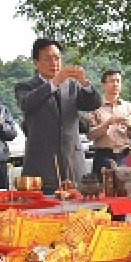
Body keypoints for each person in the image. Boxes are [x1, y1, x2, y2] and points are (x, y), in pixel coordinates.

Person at [15, 38, 102, 194]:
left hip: (72, 161)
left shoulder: (72, 85)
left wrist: (84, 83)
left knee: (78, 205)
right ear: (36, 63)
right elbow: (26, 104)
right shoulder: (25, 86)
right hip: (42, 164)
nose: (53, 63)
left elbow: (93, 104)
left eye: (57, 58)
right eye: (48, 59)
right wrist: (54, 83)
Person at [87, 68, 131, 180]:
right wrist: (107, 123)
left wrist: (129, 125)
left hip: (125, 155)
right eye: (112, 81)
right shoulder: (94, 108)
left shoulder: (130, 107)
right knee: (103, 188)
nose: (115, 84)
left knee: (126, 187)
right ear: (103, 85)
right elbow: (90, 135)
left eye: (118, 81)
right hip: (103, 156)